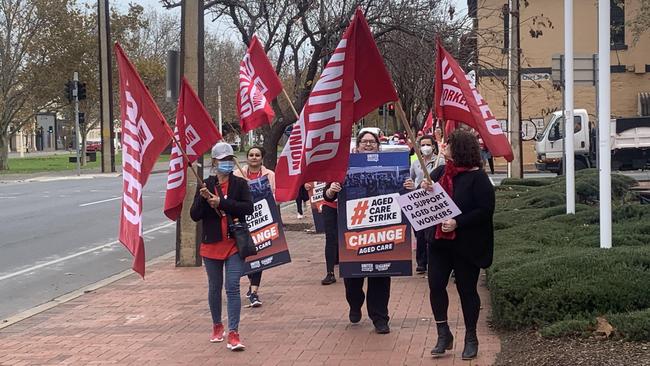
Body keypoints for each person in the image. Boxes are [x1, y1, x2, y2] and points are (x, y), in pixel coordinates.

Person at [420, 129, 495, 360]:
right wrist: (424, 189)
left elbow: (485, 210)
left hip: (466, 246)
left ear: (460, 148)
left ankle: (471, 337)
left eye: (449, 143)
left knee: (466, 290)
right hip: (440, 244)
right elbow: (425, 200)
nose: (444, 146)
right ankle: (443, 333)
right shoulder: (441, 172)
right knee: (436, 285)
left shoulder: (478, 177)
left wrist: (458, 222)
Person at [324, 131, 391, 334]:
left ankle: (380, 318)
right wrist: (333, 189)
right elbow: (328, 196)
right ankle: (355, 303)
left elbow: (402, 193)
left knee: (380, 274)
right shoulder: (344, 166)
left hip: (381, 228)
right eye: (365, 142)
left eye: (372, 142)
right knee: (353, 278)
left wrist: (408, 186)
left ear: (378, 146)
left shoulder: (388, 165)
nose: (368, 145)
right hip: (352, 230)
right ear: (358, 145)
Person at [190, 142, 254, 351]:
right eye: (222, 160)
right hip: (211, 245)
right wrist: (203, 199)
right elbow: (194, 215)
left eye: (229, 159)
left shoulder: (239, 184)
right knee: (215, 287)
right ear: (214, 162)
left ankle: (234, 332)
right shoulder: (205, 184)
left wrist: (222, 203)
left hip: (235, 243)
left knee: (233, 286)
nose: (226, 163)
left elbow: (248, 208)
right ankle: (217, 325)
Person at [234, 146, 275, 308]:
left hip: (263, 219)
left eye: (257, 155)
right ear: (247, 157)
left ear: (262, 158)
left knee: (259, 255)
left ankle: (254, 291)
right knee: (247, 254)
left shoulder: (269, 175)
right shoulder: (238, 174)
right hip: (244, 221)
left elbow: (273, 194)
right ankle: (252, 285)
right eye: (251, 155)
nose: (254, 158)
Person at [403, 135, 442, 274]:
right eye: (423, 145)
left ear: (433, 146)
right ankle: (421, 263)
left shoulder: (440, 161)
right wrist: (412, 186)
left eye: (428, 144)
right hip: (419, 200)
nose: (426, 147)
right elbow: (411, 178)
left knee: (432, 232)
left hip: (434, 201)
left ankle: (434, 261)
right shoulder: (415, 163)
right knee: (419, 233)